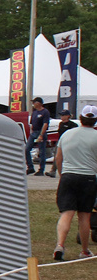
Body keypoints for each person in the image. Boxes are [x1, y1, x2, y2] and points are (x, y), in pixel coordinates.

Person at [52, 105, 97, 261]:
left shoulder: (67, 134)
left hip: (68, 176)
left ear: (80, 117)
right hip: (88, 178)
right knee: (84, 216)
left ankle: (60, 245)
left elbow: (58, 157)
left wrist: (62, 174)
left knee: (66, 213)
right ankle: (84, 250)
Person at [27, 97, 52, 176]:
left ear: (39, 103)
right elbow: (31, 123)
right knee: (27, 149)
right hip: (34, 132)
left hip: (41, 132)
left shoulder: (45, 112)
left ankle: (41, 169)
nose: (33, 104)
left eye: (34, 102)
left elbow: (45, 124)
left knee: (42, 152)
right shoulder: (34, 112)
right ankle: (30, 167)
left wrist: (41, 135)